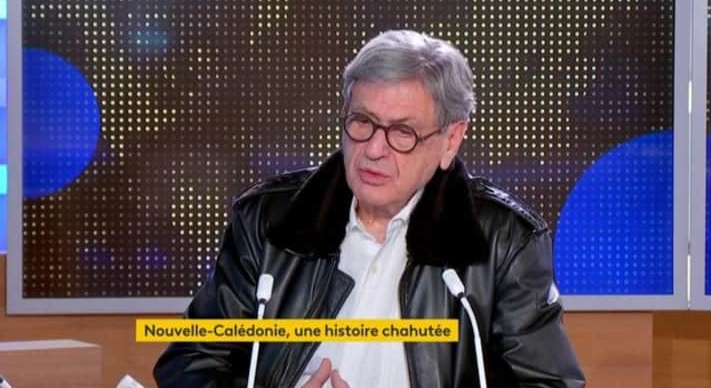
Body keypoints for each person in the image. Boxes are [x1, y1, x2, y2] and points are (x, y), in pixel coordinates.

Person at [154, 29, 585, 388]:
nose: (374, 149)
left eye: (402, 132)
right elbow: (190, 360)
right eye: (362, 122)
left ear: (451, 140)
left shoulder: (503, 241)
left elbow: (550, 383)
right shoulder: (270, 222)